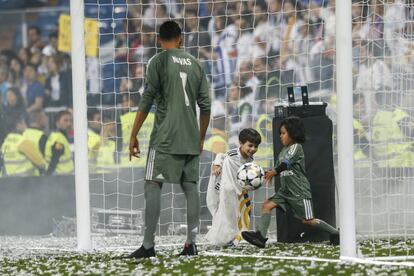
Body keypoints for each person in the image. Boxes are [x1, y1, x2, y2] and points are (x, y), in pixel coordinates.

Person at [127, 21, 211, 259]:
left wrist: (133, 134)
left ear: (159, 40)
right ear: (181, 38)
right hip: (190, 137)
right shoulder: (196, 64)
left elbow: (147, 99)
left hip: (165, 137)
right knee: (190, 187)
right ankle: (191, 244)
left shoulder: (158, 61)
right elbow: (205, 106)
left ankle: (147, 245)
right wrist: (201, 137)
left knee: (152, 184)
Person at [242, 117, 339, 248]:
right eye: (280, 133)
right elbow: (278, 169)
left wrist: (274, 172)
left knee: (308, 220)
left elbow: (286, 164)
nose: (280, 136)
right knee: (267, 205)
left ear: (293, 133)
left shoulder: (295, 147)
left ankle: (335, 233)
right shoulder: (282, 151)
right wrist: (265, 174)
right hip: (285, 191)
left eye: (283, 133)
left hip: (299, 191)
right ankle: (261, 237)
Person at [205, 128, 261, 246]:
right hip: (225, 189)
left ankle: (236, 239)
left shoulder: (250, 159)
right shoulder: (232, 155)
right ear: (241, 143)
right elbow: (220, 155)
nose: (253, 149)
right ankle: (227, 238)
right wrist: (216, 165)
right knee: (227, 216)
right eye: (250, 145)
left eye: (256, 146)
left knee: (246, 213)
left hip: (239, 190)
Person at [45, 110, 74, 175]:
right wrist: (48, 174)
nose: (69, 123)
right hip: (60, 177)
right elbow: (55, 157)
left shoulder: (62, 136)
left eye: (70, 121)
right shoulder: (58, 138)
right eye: (65, 120)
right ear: (57, 123)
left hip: (65, 176)